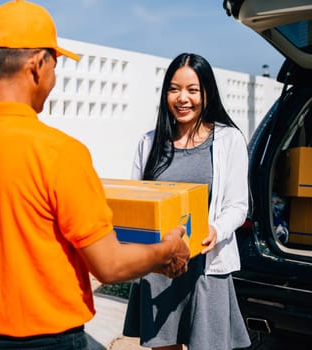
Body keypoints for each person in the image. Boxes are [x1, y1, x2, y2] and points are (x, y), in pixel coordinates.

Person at [0, 1, 190, 349]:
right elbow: (110, 265)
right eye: (55, 64)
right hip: (47, 342)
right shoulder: (59, 153)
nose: (54, 77)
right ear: (38, 65)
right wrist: (168, 250)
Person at [122, 53, 252, 350]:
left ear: (207, 94)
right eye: (174, 89)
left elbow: (237, 205)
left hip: (206, 265)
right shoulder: (148, 142)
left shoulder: (228, 140)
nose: (183, 98)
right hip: (160, 267)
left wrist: (216, 229)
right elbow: (135, 202)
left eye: (192, 90)